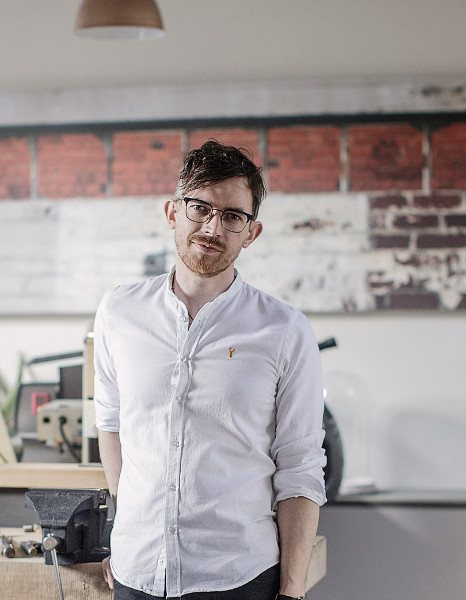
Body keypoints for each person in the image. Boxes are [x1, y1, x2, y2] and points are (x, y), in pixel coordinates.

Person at [93, 140, 327, 600]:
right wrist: (127, 535)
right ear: (172, 212)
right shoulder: (118, 311)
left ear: (251, 232)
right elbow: (112, 424)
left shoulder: (285, 329)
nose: (212, 227)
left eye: (232, 216)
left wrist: (292, 593)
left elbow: (301, 467)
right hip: (136, 576)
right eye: (199, 208)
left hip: (238, 577)